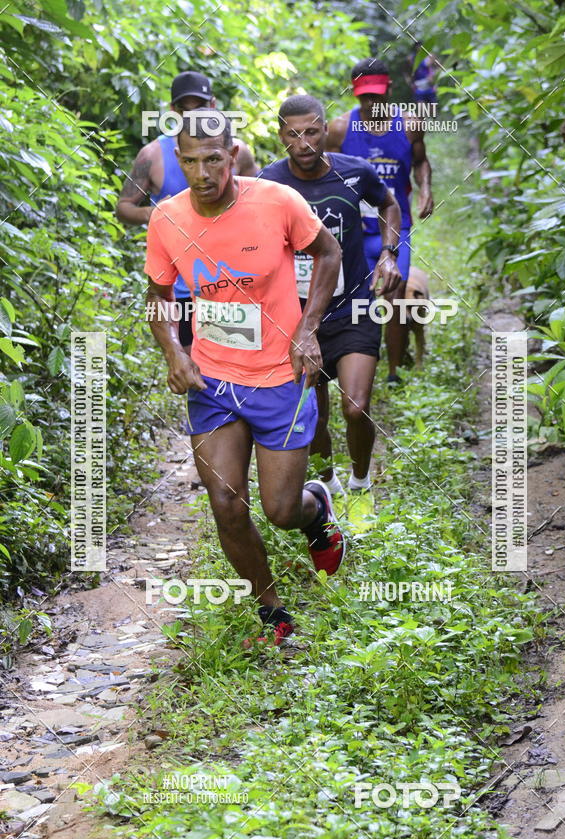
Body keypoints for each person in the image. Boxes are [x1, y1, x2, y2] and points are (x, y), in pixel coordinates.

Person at [144, 114, 345, 647]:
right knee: (226, 503)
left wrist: (308, 328)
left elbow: (329, 253)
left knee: (280, 510)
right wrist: (174, 351)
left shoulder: (276, 201)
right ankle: (272, 613)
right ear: (177, 161)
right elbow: (159, 300)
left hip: (279, 375)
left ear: (232, 156)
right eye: (189, 160)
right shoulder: (167, 218)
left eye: (213, 158)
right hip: (212, 382)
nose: (202, 171)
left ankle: (315, 510)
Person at [260, 94, 401, 529]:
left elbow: (389, 205)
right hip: (299, 317)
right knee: (314, 414)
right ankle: (329, 485)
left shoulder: (355, 171)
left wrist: (389, 253)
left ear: (326, 130)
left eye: (312, 132)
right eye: (292, 134)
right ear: (281, 135)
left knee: (356, 408)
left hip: (355, 307)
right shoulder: (270, 183)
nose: (303, 143)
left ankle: (360, 483)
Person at [117, 71, 258, 350]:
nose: (192, 114)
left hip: (237, 280)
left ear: (214, 105)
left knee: (237, 358)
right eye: (185, 109)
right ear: (173, 111)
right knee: (194, 368)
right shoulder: (153, 154)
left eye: (200, 107)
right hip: (182, 287)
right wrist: (156, 213)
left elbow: (261, 204)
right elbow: (123, 208)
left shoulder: (237, 152)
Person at [327, 58, 434, 384]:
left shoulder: (410, 124)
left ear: (388, 89)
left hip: (394, 224)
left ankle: (393, 371)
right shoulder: (341, 128)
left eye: (376, 94)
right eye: (364, 96)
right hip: (354, 230)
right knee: (353, 297)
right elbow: (327, 172)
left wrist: (424, 189)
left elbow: (421, 161)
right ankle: (353, 362)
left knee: (396, 293)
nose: (370, 102)